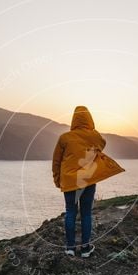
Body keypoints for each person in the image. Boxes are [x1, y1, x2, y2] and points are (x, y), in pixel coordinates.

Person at [52, 105, 125, 257]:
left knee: (70, 212)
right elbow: (102, 143)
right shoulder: (95, 137)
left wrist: (57, 180)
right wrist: (91, 131)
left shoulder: (64, 138)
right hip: (87, 180)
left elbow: (56, 162)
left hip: (70, 181)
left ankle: (70, 248)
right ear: (89, 119)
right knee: (86, 214)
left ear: (73, 119)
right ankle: (85, 249)